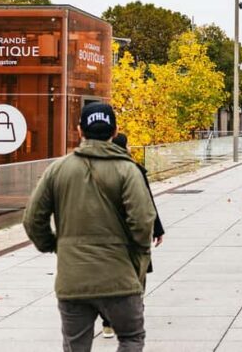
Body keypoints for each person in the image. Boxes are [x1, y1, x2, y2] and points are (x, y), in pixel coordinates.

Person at [23, 102, 156, 352]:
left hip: (73, 280)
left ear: (79, 130)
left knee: (75, 346)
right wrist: (136, 256)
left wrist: (54, 245)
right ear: (115, 131)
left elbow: (32, 219)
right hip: (119, 278)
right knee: (131, 338)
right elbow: (143, 221)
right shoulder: (128, 170)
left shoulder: (58, 169)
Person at [96, 133, 165, 339]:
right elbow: (147, 202)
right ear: (125, 148)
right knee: (136, 274)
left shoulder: (98, 170)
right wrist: (157, 228)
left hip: (107, 233)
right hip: (133, 232)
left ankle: (108, 322)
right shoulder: (134, 170)